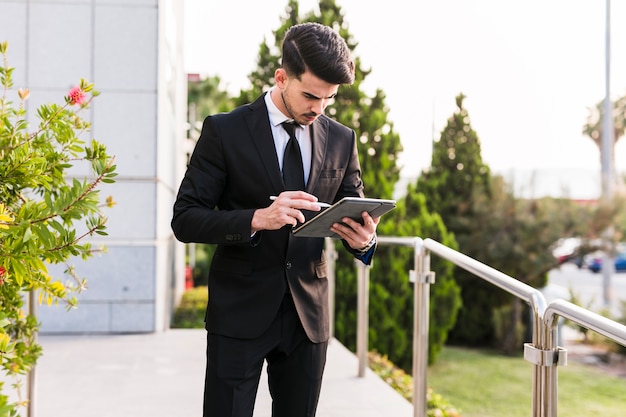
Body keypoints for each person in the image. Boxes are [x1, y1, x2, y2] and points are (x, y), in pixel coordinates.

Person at [171, 22, 379, 417]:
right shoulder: (224, 131)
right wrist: (257, 219)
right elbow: (185, 219)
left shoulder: (341, 139)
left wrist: (364, 240)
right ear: (281, 77)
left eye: (329, 99)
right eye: (311, 95)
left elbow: (357, 208)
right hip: (238, 315)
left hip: (308, 319)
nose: (319, 108)